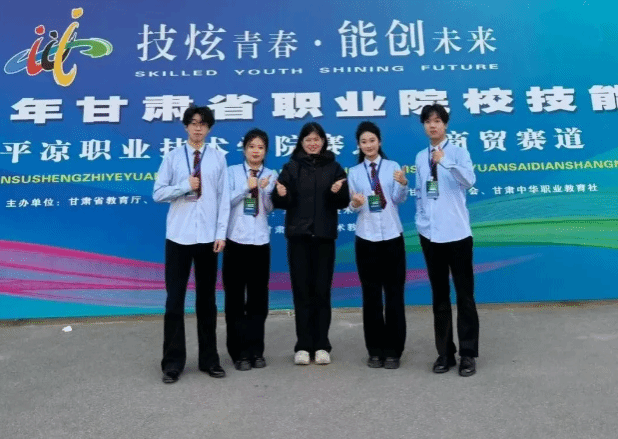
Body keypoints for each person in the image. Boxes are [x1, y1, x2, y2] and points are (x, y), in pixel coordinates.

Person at [153, 105, 230, 384]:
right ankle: (172, 363)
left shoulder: (218, 158)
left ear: (209, 128)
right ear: (186, 126)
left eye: (204, 123)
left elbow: (223, 199)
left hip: (208, 238)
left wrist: (221, 233)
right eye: (194, 123)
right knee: (175, 301)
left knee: (207, 301)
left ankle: (209, 360)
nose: (198, 128)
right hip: (179, 237)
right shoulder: (173, 157)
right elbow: (158, 193)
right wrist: (185, 186)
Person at [272, 122, 350, 365]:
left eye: (317, 139)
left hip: (324, 237)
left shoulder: (334, 167)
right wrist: (280, 194)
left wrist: (338, 191)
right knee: (302, 292)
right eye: (308, 140)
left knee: (322, 292)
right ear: (302, 143)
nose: (313, 143)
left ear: (323, 141)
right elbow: (280, 201)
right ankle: (303, 346)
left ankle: (322, 345)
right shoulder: (291, 167)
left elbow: (343, 202)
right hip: (299, 238)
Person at [415, 104, 479, 377]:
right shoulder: (420, 157)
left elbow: (469, 181)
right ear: (424, 126)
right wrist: (421, 222)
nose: (433, 126)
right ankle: (445, 353)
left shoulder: (458, 152)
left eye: (437, 121)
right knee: (439, 297)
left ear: (446, 124)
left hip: (457, 234)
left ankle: (468, 354)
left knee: (464, 296)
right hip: (431, 235)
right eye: (428, 121)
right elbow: (421, 192)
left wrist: (445, 162)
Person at [348, 121, 409, 369]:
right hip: (367, 239)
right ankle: (374, 350)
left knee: (394, 295)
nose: (369, 145)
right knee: (371, 296)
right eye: (364, 142)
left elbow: (397, 199)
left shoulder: (393, 167)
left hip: (392, 237)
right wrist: (354, 203)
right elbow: (353, 206)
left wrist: (403, 183)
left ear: (379, 142)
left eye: (372, 140)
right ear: (359, 145)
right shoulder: (354, 172)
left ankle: (393, 350)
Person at [223, 128, 277, 372]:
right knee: (235, 299)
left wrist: (263, 191)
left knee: (258, 300)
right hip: (236, 241)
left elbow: (269, 208)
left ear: (266, 151)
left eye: (260, 147)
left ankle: (256, 350)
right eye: (252, 146)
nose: (256, 151)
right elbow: (225, 202)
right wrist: (247, 187)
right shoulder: (232, 172)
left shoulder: (271, 174)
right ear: (244, 149)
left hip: (260, 242)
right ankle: (239, 353)